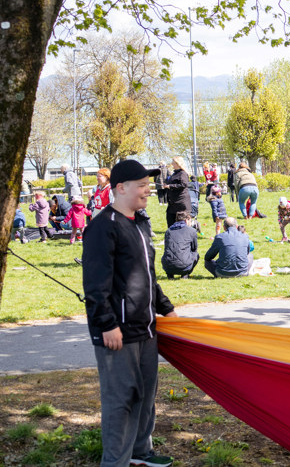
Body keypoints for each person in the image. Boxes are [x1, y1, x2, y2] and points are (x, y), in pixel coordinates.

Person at [82, 159, 178, 467]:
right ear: (120, 188)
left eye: (148, 185)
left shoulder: (140, 223)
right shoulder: (102, 227)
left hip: (145, 328)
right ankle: (115, 462)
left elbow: (146, 275)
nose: (147, 191)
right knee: (120, 400)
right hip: (117, 332)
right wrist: (106, 324)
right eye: (141, 185)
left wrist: (165, 308)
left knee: (145, 396)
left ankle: (140, 452)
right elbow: (95, 283)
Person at [162, 211, 199, 279]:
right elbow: (194, 248)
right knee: (196, 254)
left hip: (167, 265)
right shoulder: (192, 231)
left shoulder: (168, 231)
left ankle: (170, 274)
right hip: (183, 265)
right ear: (186, 220)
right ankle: (185, 273)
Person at [164, 156, 192, 229]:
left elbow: (184, 184)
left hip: (181, 202)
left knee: (182, 223)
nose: (172, 164)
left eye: (173, 162)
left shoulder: (182, 173)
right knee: (170, 221)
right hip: (173, 203)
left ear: (178, 163)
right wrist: (166, 185)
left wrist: (170, 186)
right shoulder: (174, 174)